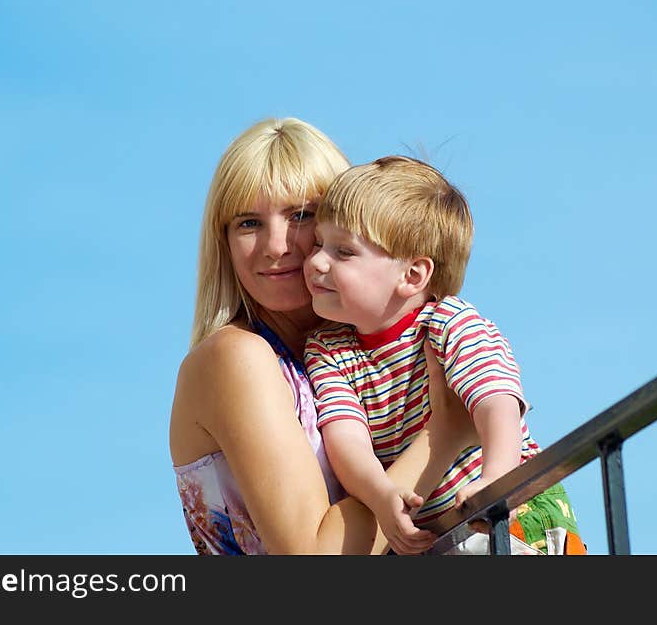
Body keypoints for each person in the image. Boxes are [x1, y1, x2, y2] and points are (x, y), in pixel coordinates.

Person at [169, 119, 479, 555]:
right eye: (247, 222)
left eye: (301, 216)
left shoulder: (355, 358)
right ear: (224, 242)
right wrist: (444, 436)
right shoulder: (234, 357)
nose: (276, 245)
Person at [303, 155, 586, 555]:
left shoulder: (448, 323)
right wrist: (382, 494)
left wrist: (498, 477)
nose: (315, 261)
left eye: (343, 252)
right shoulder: (328, 350)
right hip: (436, 533)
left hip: (512, 517)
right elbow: (344, 438)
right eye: (318, 244)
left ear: (413, 276)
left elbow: (497, 398)